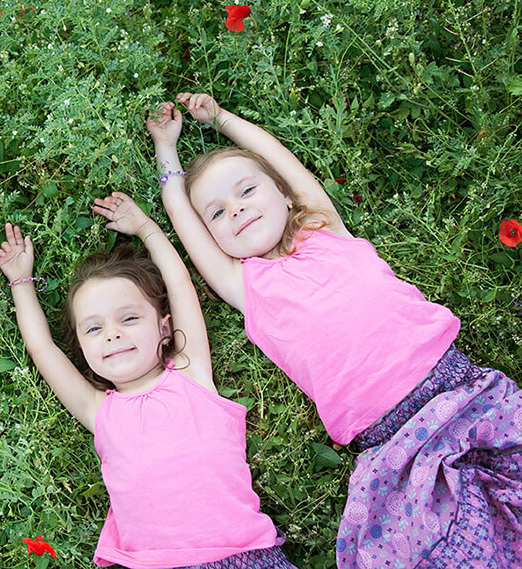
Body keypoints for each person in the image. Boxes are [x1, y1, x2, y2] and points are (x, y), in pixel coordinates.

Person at [146, 92, 522, 568]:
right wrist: (167, 149)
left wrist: (220, 118)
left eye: (246, 190)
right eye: (217, 213)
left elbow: (280, 158)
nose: (237, 210)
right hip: (392, 441)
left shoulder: (324, 229)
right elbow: (181, 217)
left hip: (460, 388)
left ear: (283, 192)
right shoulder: (244, 284)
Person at [0, 193, 296, 569]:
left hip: (243, 556)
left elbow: (179, 283)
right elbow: (42, 350)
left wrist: (145, 229)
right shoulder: (97, 410)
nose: (112, 334)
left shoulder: (192, 373)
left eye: (129, 318)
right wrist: (21, 282)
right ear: (81, 347)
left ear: (165, 328)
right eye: (93, 328)